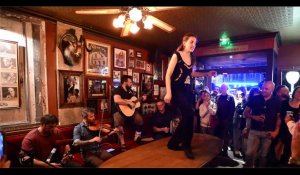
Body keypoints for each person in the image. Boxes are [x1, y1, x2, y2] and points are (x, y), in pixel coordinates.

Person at [164, 33, 217, 159]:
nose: (193, 45)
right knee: (188, 114)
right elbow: (167, 75)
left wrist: (207, 74)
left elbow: (191, 73)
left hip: (187, 90)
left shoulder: (192, 58)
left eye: (195, 43)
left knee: (188, 116)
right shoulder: (176, 55)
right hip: (176, 90)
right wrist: (168, 92)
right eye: (191, 42)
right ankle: (186, 145)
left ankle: (173, 143)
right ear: (184, 42)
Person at [243, 81, 281, 167]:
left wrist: (276, 131)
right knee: (249, 154)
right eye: (263, 88)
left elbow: (279, 118)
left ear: (272, 89)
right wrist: (254, 117)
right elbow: (245, 113)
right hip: (254, 130)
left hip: (268, 132)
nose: (263, 90)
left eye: (266, 89)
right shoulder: (255, 98)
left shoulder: (277, 100)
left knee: (264, 156)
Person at [111, 75, 147, 151]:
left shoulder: (130, 91)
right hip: (118, 110)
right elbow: (117, 100)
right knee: (119, 124)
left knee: (140, 120)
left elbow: (134, 101)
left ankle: (137, 137)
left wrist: (141, 99)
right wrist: (128, 103)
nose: (131, 84)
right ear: (125, 82)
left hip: (129, 111)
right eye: (130, 82)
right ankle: (122, 143)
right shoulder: (118, 89)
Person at [214, 83, 235, 158]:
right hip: (219, 119)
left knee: (225, 136)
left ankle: (225, 151)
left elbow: (232, 110)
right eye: (222, 87)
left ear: (227, 89)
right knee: (219, 135)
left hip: (226, 120)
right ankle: (219, 150)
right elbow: (216, 108)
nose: (223, 89)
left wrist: (228, 120)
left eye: (224, 88)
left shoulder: (230, 98)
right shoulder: (218, 97)